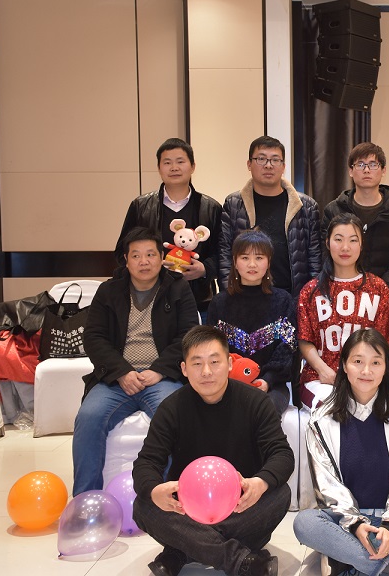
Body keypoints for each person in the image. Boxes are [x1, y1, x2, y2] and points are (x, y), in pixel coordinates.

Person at [133, 326, 294, 576]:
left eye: (215, 362)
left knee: (280, 492)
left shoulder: (256, 402)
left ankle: (182, 549)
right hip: (188, 510)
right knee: (144, 504)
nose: (206, 372)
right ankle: (240, 561)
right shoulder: (171, 408)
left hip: (240, 506)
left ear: (229, 363)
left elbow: (282, 454)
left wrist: (259, 483)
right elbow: (147, 462)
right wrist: (155, 491)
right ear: (184, 369)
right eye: (197, 363)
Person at [293, 329, 389, 576]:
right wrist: (356, 524)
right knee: (305, 523)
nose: (366, 371)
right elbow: (327, 486)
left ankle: (347, 560)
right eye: (358, 361)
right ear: (344, 365)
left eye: (376, 363)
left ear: (386, 368)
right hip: (345, 521)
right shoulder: (321, 419)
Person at [73, 227, 198, 495]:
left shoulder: (178, 288)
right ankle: (85, 499)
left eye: (151, 254)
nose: (144, 262)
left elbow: (188, 336)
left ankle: (171, 496)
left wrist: (159, 371)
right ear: (126, 260)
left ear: (162, 257)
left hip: (161, 378)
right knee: (89, 416)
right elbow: (94, 337)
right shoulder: (109, 291)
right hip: (117, 378)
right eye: (136, 255)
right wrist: (121, 372)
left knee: (175, 416)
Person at [297, 214, 389, 409]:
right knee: (334, 409)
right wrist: (323, 370)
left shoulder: (378, 289)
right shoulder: (311, 290)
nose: (345, 247)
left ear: (361, 244)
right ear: (328, 243)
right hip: (321, 380)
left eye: (353, 240)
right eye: (338, 239)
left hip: (366, 379)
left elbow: (385, 341)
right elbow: (305, 339)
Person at [116, 138, 222, 317]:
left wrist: (204, 269)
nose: (174, 168)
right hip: (149, 300)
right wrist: (150, 265)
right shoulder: (140, 206)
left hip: (199, 300)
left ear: (193, 166)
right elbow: (122, 252)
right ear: (159, 168)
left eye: (180, 162)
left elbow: (223, 253)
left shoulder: (211, 208)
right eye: (167, 163)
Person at [207, 230, 297, 414]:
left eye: (259, 257)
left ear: (268, 262)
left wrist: (267, 380)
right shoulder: (219, 303)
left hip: (272, 386)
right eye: (245, 257)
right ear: (235, 262)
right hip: (227, 385)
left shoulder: (283, 300)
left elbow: (288, 347)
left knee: (263, 411)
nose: (252, 264)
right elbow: (211, 349)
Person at [219, 135, 322, 297]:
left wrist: (311, 297)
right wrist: (230, 295)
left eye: (275, 160)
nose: (268, 165)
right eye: (261, 159)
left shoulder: (306, 206)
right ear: (249, 164)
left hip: (293, 296)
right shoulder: (233, 204)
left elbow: (315, 258)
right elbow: (224, 254)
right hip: (246, 296)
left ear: (283, 166)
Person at [322, 142, 389, 304]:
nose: (366, 170)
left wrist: (381, 289)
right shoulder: (334, 210)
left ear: (383, 170)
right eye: (360, 164)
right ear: (350, 171)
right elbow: (325, 253)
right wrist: (346, 287)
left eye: (373, 164)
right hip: (343, 296)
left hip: (388, 297)